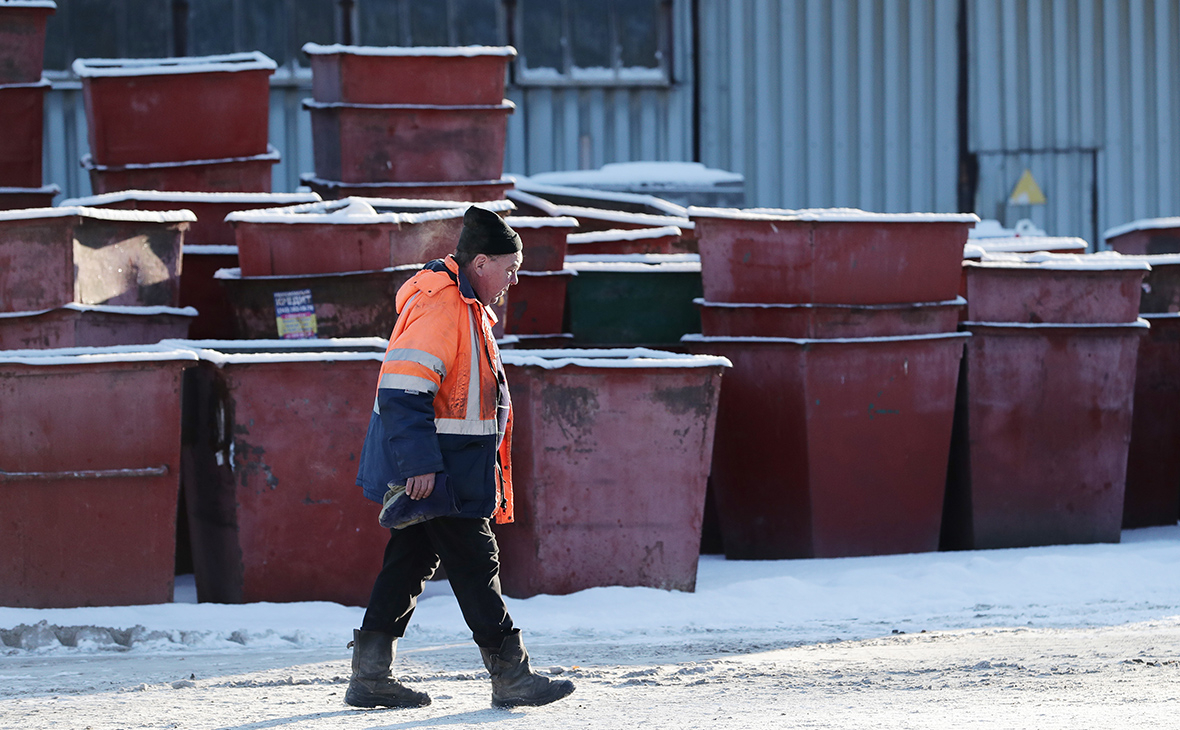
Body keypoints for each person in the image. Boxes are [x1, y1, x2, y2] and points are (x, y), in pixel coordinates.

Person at [347, 205, 575, 710]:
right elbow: (403, 390)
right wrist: (420, 467)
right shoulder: (443, 307)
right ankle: (512, 676)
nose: (514, 279)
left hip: (448, 465)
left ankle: (370, 677)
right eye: (510, 268)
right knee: (476, 566)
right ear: (480, 261)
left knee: (409, 562)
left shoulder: (466, 306)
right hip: (439, 470)